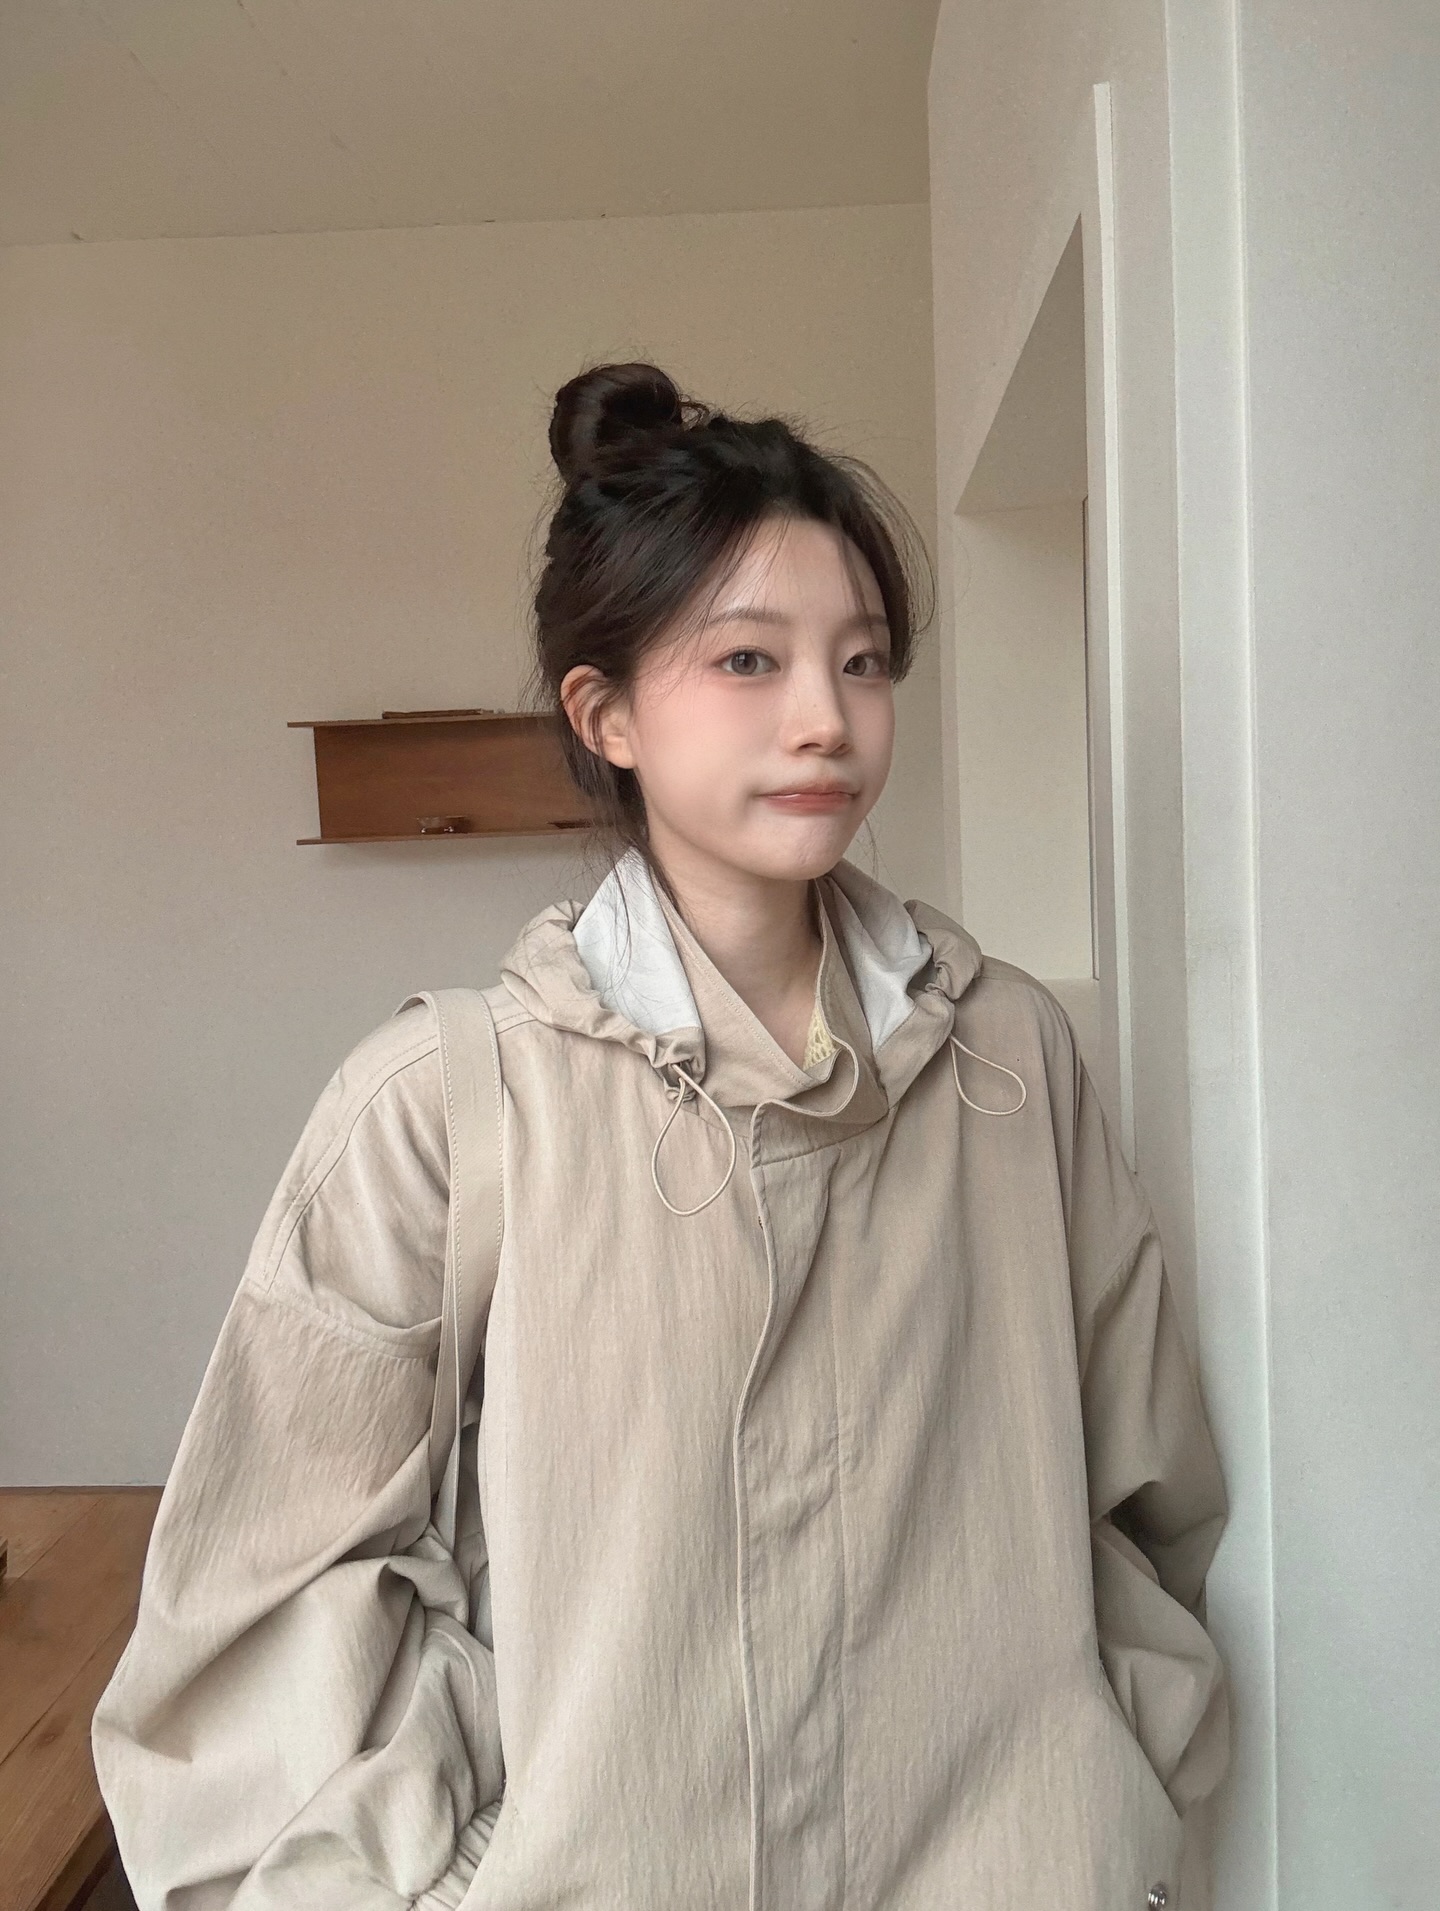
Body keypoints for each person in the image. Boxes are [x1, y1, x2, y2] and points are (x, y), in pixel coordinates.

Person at [93, 362, 1228, 1910]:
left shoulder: (1009, 1060)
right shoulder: (446, 1106)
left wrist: (1108, 1822)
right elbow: (261, 1615)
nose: (826, 717)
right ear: (606, 712)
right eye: (748, 659)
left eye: (864, 661)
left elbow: (1148, 1508)